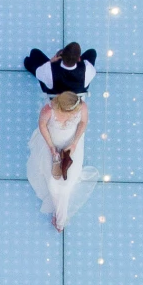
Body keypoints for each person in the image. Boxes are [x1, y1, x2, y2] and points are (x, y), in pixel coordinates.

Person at [27, 91, 90, 232]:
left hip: (71, 144)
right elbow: (42, 125)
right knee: (52, 183)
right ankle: (60, 216)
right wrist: (52, 148)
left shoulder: (82, 106)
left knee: (66, 185)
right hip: (50, 143)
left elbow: (83, 122)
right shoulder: (49, 110)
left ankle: (60, 217)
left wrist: (74, 144)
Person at [24, 42, 97, 96]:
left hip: (54, 93)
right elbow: (91, 70)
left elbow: (38, 73)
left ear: (61, 56)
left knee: (34, 52)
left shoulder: (49, 69)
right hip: (75, 95)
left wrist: (50, 62)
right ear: (79, 59)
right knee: (92, 52)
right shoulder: (87, 69)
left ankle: (27, 63)